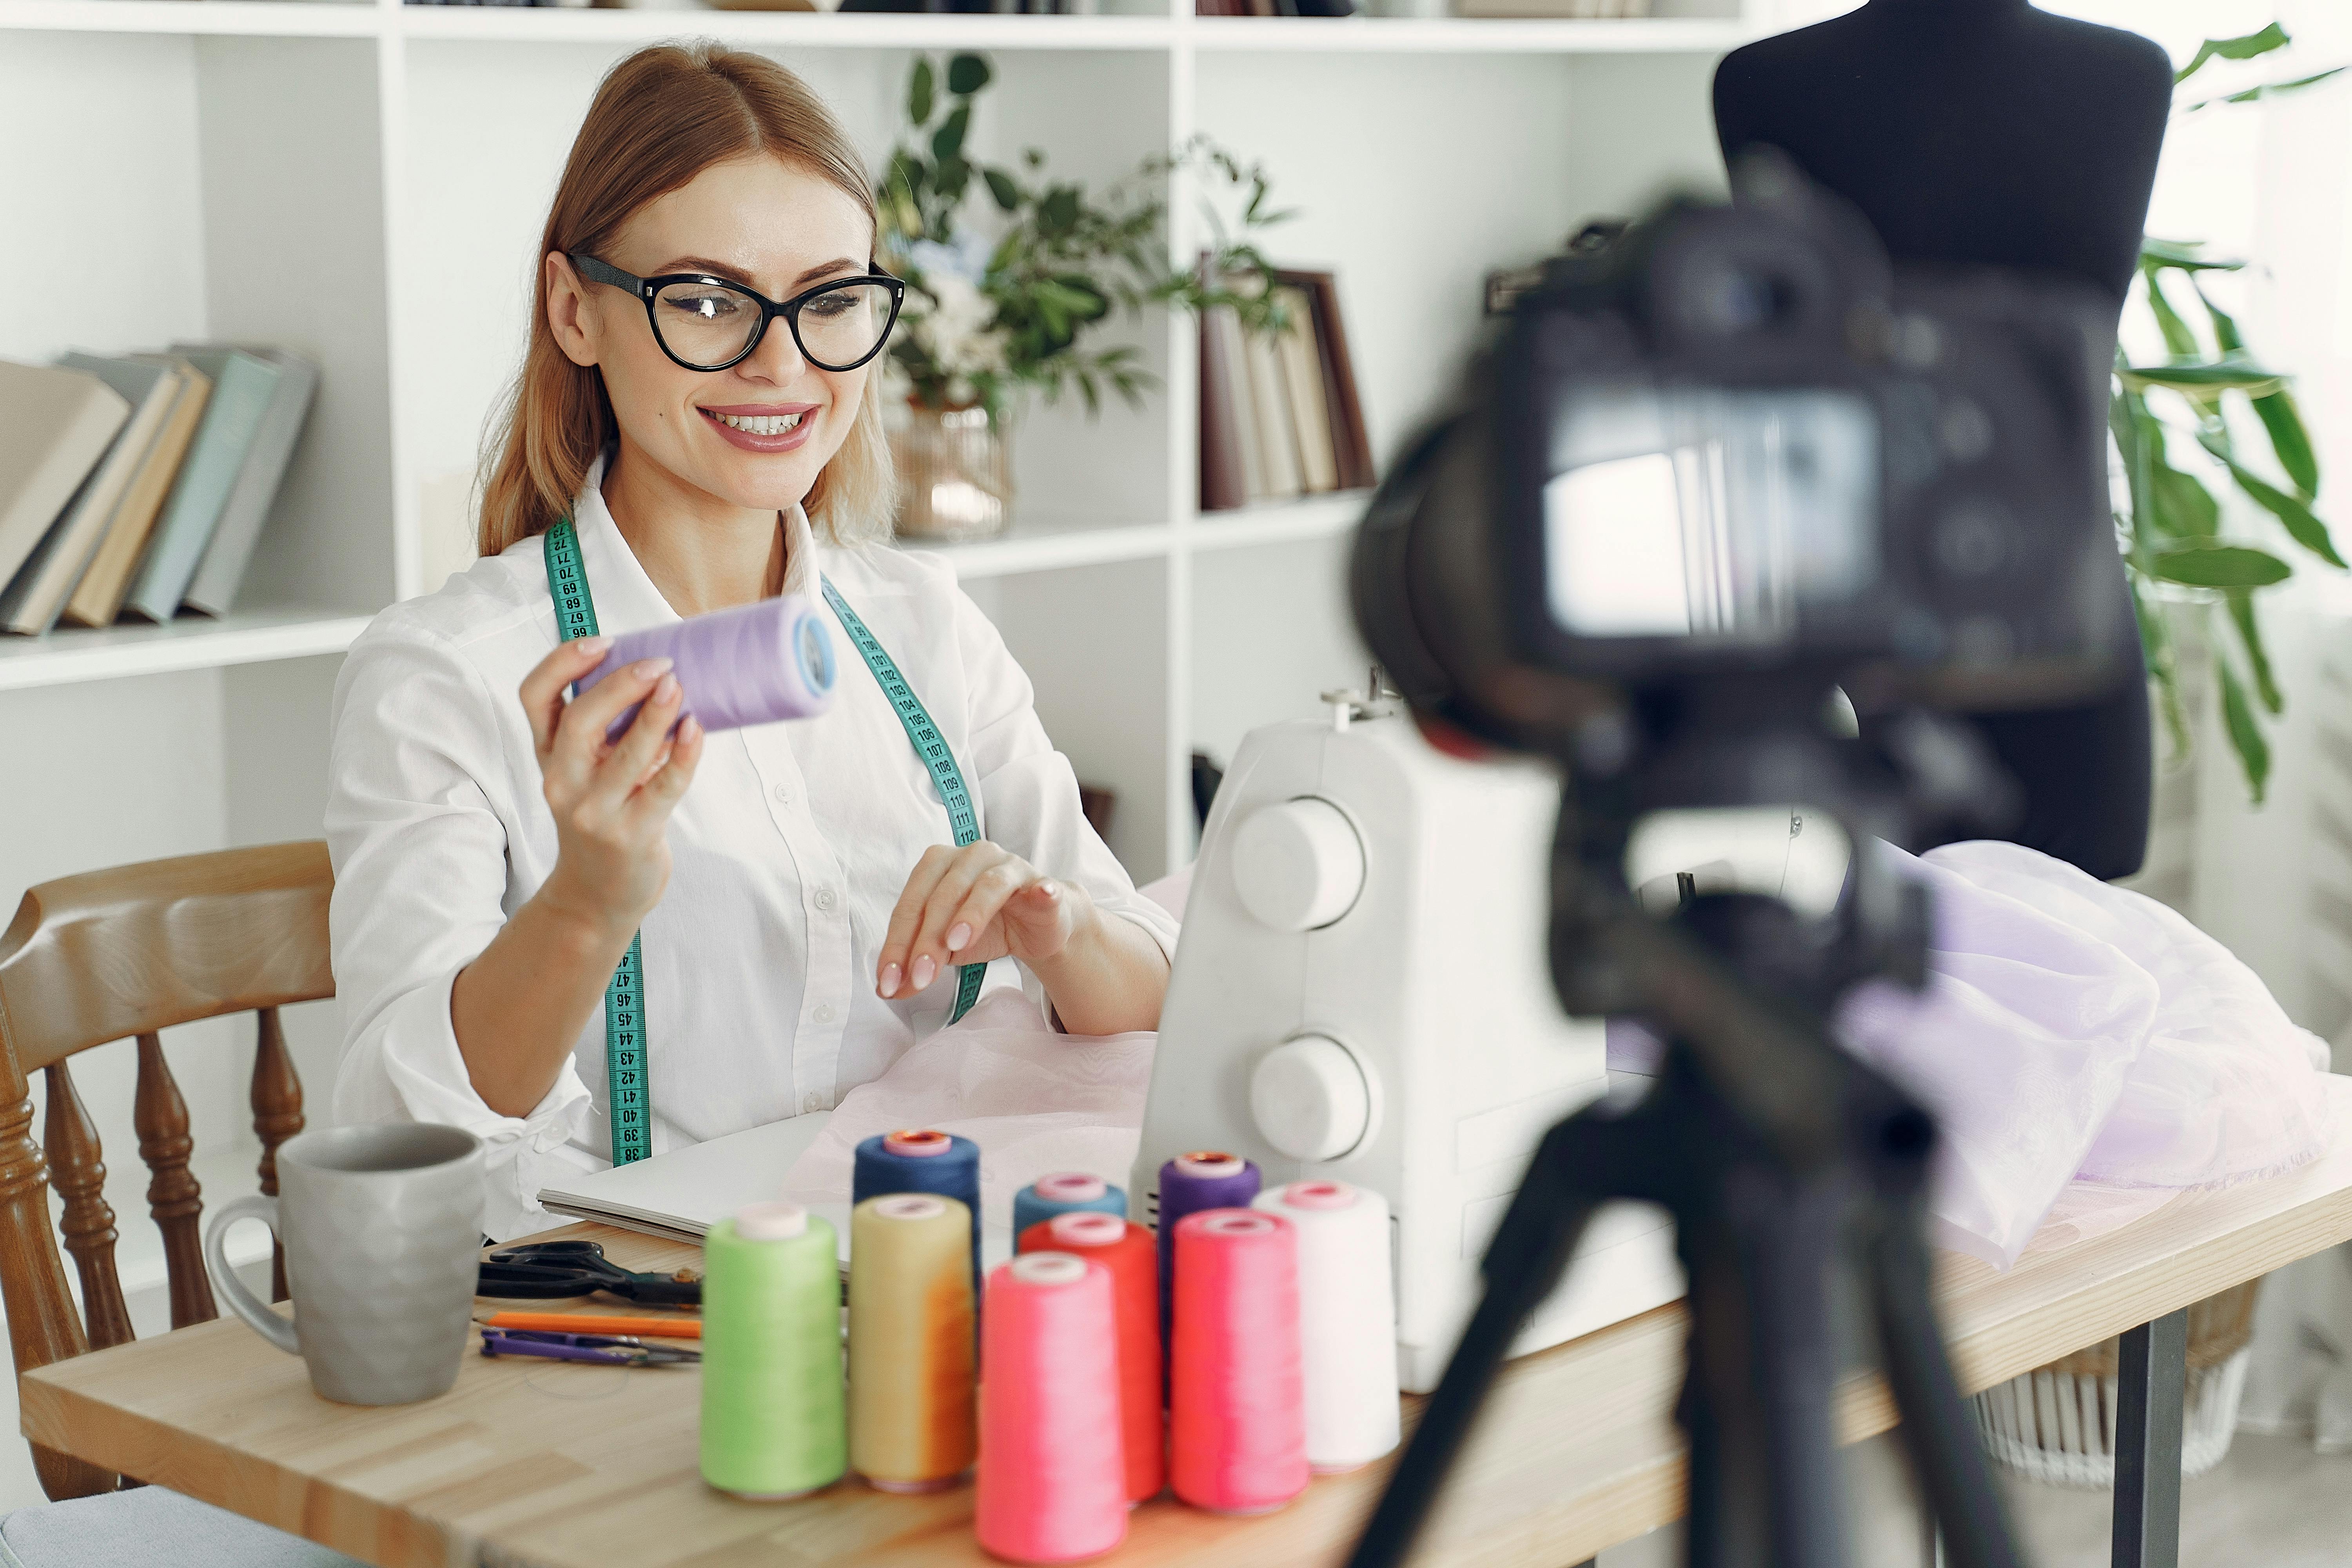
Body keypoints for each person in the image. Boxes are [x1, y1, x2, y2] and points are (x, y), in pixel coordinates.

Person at [325, 43, 1176, 1239]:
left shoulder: (924, 631)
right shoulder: (447, 677)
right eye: (709, 301)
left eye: (830, 301)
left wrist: (1059, 928)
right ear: (576, 309)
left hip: (908, 1279)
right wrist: (585, 903)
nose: (782, 363)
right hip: (612, 1316)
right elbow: (394, 1122)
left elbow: (1150, 1000)